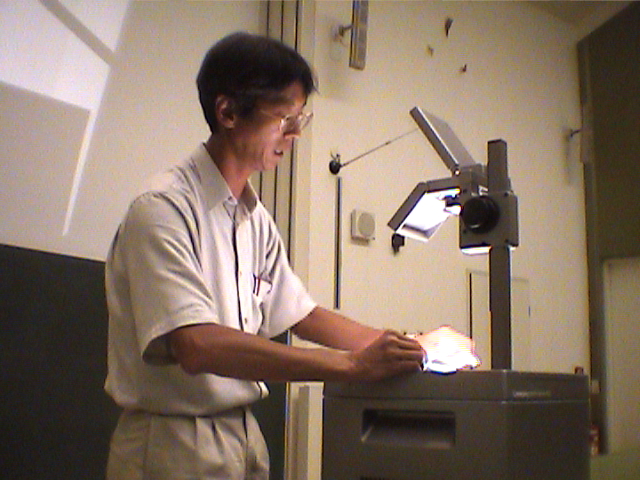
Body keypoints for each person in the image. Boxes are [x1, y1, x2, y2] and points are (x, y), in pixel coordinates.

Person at [104, 31, 477, 480]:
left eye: (301, 118)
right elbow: (197, 345)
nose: (295, 134)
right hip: (173, 442)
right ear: (227, 112)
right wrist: (352, 366)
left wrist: (407, 346)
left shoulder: (254, 218)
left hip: (241, 435)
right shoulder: (163, 208)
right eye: (284, 118)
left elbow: (302, 315)